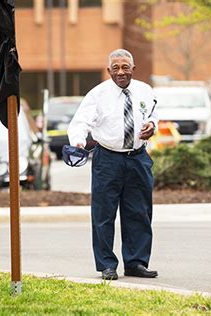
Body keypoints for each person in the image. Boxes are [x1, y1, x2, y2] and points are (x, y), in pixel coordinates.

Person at [68, 48, 159, 280]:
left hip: (138, 158)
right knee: (104, 214)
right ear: (109, 71)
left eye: (125, 67)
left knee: (139, 212)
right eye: (116, 68)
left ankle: (136, 263)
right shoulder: (97, 94)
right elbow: (80, 122)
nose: (121, 72)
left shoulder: (145, 91)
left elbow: (152, 114)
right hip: (107, 159)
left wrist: (152, 125)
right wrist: (78, 142)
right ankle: (107, 265)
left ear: (133, 69)